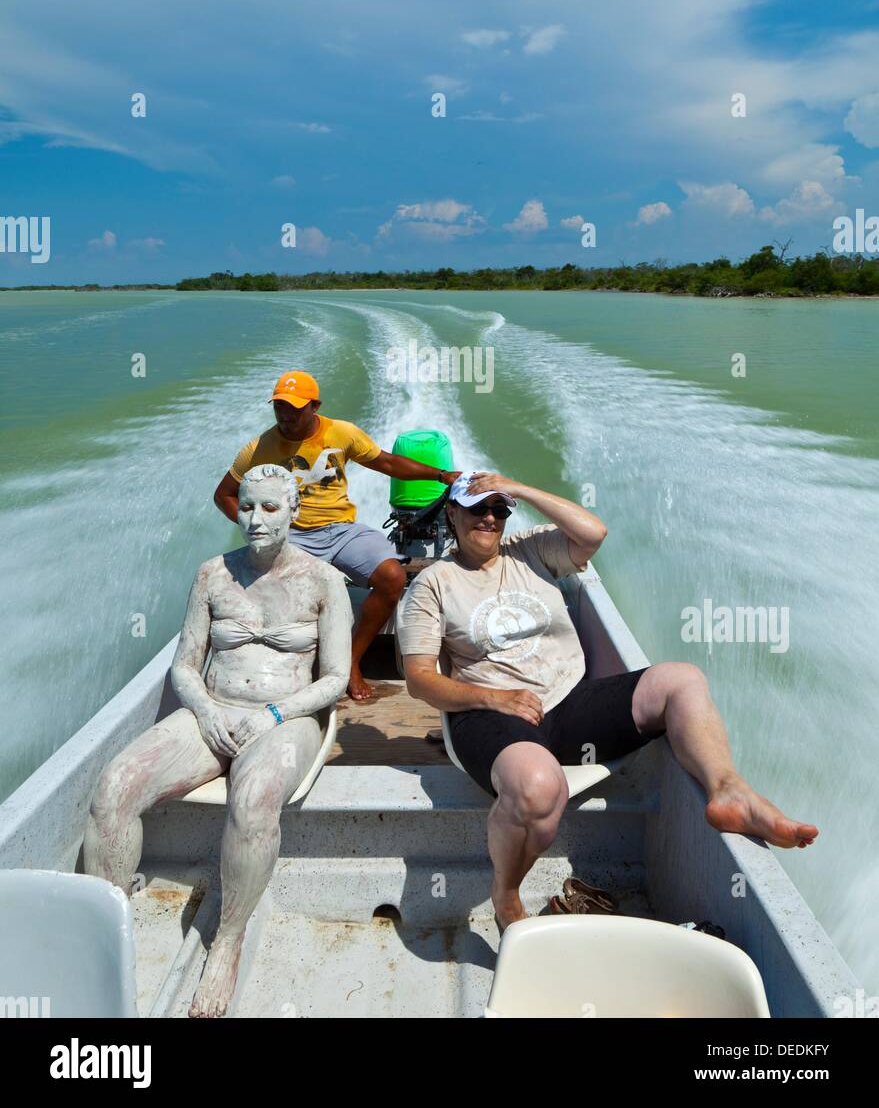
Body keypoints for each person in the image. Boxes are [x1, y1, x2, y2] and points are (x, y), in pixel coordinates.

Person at [399, 471, 819, 930]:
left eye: (498, 509)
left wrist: (519, 488)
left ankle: (728, 791)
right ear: (453, 514)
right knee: (540, 787)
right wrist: (494, 698)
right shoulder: (434, 583)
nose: (489, 518)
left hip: (569, 699)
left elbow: (592, 533)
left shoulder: (532, 549)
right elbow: (420, 679)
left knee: (681, 679)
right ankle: (507, 896)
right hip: (489, 712)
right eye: (476, 508)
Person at [85, 465, 351, 1018]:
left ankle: (227, 941)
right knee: (115, 787)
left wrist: (274, 713)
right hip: (214, 712)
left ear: (294, 511)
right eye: (247, 507)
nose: (255, 519)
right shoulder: (212, 575)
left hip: (285, 719)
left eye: (270, 509)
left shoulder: (324, 581)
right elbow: (185, 667)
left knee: (252, 801)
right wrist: (204, 710)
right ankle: (105, 926)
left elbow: (335, 680)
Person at [213, 370, 459, 701]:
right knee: (283, 594)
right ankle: (291, 667)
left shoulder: (341, 433)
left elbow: (386, 463)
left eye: (296, 409)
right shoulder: (260, 448)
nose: (286, 416)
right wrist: (255, 529)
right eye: (280, 408)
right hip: (294, 534)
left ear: (315, 406)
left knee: (392, 577)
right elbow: (224, 494)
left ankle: (350, 662)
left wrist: (442, 475)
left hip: (341, 530)